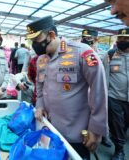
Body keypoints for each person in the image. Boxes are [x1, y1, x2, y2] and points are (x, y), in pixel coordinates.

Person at [27, 16, 108, 159]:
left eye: (36, 40)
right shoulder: (41, 59)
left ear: (51, 35)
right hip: (49, 128)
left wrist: (96, 129)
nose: (34, 45)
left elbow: (99, 91)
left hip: (75, 134)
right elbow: (39, 86)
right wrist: (39, 105)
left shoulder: (81, 52)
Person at [102, 28, 129, 160]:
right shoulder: (110, 55)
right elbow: (103, 75)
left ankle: (120, 140)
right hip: (114, 96)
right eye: (120, 38)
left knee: (125, 124)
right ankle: (119, 150)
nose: (122, 41)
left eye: (126, 39)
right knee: (116, 123)